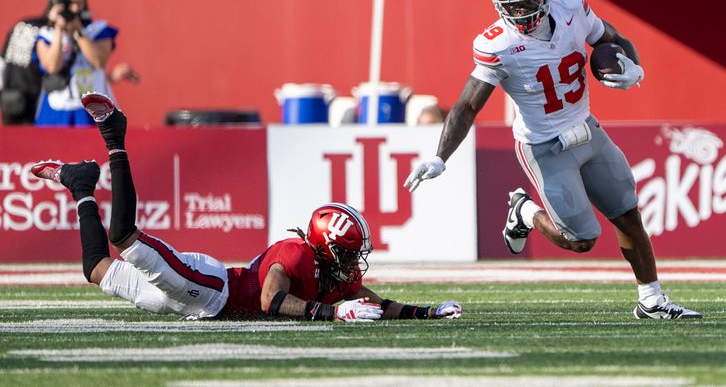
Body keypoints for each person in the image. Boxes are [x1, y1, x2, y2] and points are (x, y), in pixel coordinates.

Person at [404, 0, 701, 320]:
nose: (524, 12)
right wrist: (440, 156)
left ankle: (652, 301)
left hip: (587, 129)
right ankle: (523, 211)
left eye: (529, 1)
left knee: (627, 213)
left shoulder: (570, 5)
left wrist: (634, 67)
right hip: (544, 146)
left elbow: (613, 39)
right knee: (582, 240)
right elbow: (467, 106)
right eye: (514, 6)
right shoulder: (497, 45)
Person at [31, 92, 462, 322]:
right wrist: (334, 313)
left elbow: (376, 302)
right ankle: (114, 137)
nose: (353, 261)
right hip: (210, 289)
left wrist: (426, 311)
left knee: (95, 268)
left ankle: (80, 185)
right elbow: (271, 300)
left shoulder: (335, 277)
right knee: (124, 238)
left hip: (183, 306)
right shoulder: (295, 254)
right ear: (325, 246)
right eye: (347, 251)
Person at [33, 0, 121, 126]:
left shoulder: (97, 30)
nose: (74, 9)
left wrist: (78, 31)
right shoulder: (47, 34)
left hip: (94, 107)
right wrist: (59, 30)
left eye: (78, 3)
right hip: (57, 107)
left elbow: (98, 61)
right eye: (69, 3)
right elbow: (53, 67)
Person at [0, 0, 50, 125]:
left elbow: (2, 61)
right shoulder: (46, 32)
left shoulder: (21, 24)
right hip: (32, 100)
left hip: (9, 97)